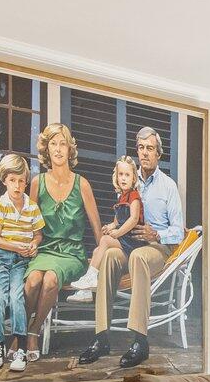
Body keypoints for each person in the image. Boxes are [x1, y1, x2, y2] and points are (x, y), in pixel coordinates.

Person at [78, 124, 184, 369]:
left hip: (155, 248)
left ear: (159, 154)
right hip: (128, 245)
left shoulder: (168, 186)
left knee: (138, 257)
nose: (145, 153)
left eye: (150, 148)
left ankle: (140, 340)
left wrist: (155, 233)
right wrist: (112, 227)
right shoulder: (130, 183)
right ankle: (101, 337)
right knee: (110, 256)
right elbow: (122, 218)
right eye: (141, 148)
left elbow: (179, 230)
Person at [21, 123, 102, 363]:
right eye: (53, 144)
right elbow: (29, 224)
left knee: (50, 279)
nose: (57, 149)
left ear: (70, 149)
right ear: (46, 149)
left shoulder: (82, 184)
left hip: (72, 254)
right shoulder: (37, 183)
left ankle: (32, 332)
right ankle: (19, 330)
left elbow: (98, 232)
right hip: (44, 250)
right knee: (34, 280)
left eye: (62, 144)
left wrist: (102, 258)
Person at [0, 152, 42, 374]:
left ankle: (21, 349)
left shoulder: (31, 207)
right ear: (4, 181)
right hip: (2, 259)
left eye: (21, 181)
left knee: (17, 298)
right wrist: (16, 246)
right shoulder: (2, 205)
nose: (17, 186)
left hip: (21, 262)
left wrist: (34, 244)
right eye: (12, 180)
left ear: (26, 181)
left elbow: (38, 234)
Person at [96, 155, 145, 251]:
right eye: (121, 174)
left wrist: (118, 233)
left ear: (134, 178)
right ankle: (93, 267)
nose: (123, 178)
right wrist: (110, 227)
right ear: (116, 177)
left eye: (127, 175)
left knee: (105, 241)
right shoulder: (121, 198)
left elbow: (134, 219)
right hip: (124, 236)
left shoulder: (134, 196)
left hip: (133, 239)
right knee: (98, 249)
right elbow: (116, 222)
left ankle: (94, 267)